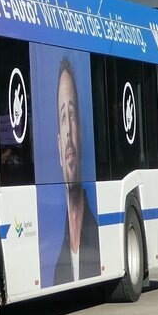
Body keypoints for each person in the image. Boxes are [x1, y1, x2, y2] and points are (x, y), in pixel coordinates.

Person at [53, 58, 100, 284]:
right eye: (63, 118)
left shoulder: (99, 237)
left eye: (72, 115)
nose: (69, 131)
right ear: (58, 144)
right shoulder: (56, 270)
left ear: (80, 132)